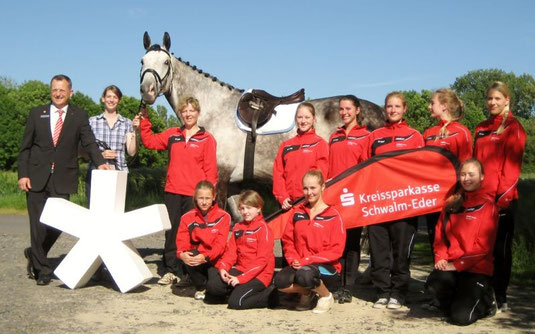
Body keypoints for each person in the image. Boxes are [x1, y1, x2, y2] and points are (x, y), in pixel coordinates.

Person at [18, 74, 110, 285]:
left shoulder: (79, 116)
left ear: (71, 93)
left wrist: (100, 162)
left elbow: (89, 143)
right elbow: (25, 148)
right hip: (36, 177)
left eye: (62, 90)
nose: (58, 94)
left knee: (59, 223)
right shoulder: (36, 114)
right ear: (50, 92)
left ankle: (34, 252)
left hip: (63, 177)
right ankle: (42, 270)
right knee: (37, 225)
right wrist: (23, 174)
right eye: (54, 90)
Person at [139, 96, 218, 285]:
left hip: (195, 196)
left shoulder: (207, 139)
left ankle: (190, 272)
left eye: (191, 110)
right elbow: (150, 142)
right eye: (184, 111)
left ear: (198, 113)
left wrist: (209, 197)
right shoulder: (172, 134)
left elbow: (211, 171)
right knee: (172, 232)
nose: (188, 114)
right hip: (173, 191)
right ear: (180, 114)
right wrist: (144, 121)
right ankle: (171, 270)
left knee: (193, 234)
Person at [363, 91, 424, 309]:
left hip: (403, 205)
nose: (393, 110)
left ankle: (398, 293)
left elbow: (421, 170)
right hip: (378, 204)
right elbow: (363, 169)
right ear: (385, 108)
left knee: (400, 253)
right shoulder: (374, 136)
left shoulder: (414, 136)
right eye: (389, 106)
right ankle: (382, 291)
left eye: (397, 106)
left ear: (404, 109)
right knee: (379, 252)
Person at [425, 158, 499, 326]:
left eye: (471, 174)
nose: (466, 179)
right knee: (433, 283)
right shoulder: (452, 204)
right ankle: (455, 299)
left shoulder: (488, 206)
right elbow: (440, 235)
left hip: (476, 269)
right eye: (463, 174)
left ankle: (487, 300)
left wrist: (458, 265)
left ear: (482, 177)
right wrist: (441, 258)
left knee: (461, 318)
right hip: (452, 265)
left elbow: (483, 247)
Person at [474, 81, 526, 312]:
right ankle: (481, 291)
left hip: (501, 201)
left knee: (500, 250)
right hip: (479, 199)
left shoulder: (514, 127)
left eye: (497, 99)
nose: (493, 102)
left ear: (507, 100)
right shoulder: (481, 128)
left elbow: (512, 168)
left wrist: (501, 200)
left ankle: (500, 294)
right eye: (490, 99)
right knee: (480, 249)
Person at [274, 170, 345, 314]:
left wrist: (308, 260)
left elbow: (336, 250)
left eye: (313, 188)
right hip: (301, 264)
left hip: (326, 268)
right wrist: (293, 258)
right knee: (280, 281)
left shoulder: (333, 215)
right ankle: (308, 293)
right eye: (305, 188)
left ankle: (326, 296)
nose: (309, 192)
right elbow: (288, 240)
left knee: (305, 275)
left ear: (323, 187)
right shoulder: (297, 212)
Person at [327, 95, 370, 302]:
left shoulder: (366, 136)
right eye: (341, 109)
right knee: (337, 243)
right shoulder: (334, 136)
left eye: (348, 109)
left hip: (353, 198)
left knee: (352, 243)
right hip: (335, 199)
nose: (344, 112)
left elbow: (367, 170)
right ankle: (336, 284)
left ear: (358, 110)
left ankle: (348, 287)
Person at [206, 190, 275, 309]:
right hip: (242, 269)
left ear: (258, 208)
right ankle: (239, 290)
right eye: (242, 208)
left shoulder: (264, 229)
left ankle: (274, 295)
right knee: (213, 287)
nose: (245, 212)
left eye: (249, 208)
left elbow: (262, 261)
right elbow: (230, 253)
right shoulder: (238, 227)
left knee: (236, 303)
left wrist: (241, 279)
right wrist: (223, 268)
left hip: (260, 275)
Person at [423, 88, 472, 256]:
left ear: (443, 106)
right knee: (435, 242)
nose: (429, 107)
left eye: (432, 103)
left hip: (453, 198)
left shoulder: (462, 131)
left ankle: (455, 279)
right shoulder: (428, 133)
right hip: (431, 199)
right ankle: (439, 276)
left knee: (454, 242)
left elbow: (467, 168)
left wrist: (458, 194)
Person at [175, 180, 231, 300]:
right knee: (190, 254)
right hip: (197, 259)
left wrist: (205, 257)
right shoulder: (187, 217)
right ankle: (201, 287)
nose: (204, 202)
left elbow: (220, 246)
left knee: (215, 289)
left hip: (215, 259)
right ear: (195, 197)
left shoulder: (224, 216)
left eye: (207, 198)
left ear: (214, 197)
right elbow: (181, 243)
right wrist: (182, 255)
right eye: (201, 198)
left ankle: (204, 285)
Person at [86, 85, 139, 202]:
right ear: (103, 99)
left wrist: (135, 131)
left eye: (115, 97)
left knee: (116, 211)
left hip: (119, 173)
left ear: (119, 101)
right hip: (96, 172)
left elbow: (131, 152)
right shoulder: (92, 122)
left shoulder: (127, 123)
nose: (111, 100)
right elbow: (84, 149)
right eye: (108, 96)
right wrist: (101, 155)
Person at [273, 102, 329, 210]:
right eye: (300, 117)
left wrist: (311, 196)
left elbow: (322, 176)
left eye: (307, 117)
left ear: (314, 119)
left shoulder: (320, 144)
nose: (303, 121)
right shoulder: (286, 145)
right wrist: (283, 197)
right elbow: (278, 174)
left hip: (310, 205)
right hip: (289, 206)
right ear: (295, 119)